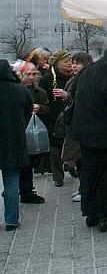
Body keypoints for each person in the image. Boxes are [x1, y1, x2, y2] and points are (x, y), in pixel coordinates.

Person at [70, 44, 107, 232]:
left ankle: (91, 214)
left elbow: (74, 95)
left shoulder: (87, 72)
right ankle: (105, 217)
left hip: (85, 136)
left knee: (89, 175)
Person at [0, 59, 33, 231]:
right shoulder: (21, 90)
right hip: (13, 141)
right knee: (12, 181)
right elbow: (28, 111)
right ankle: (11, 220)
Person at [38, 50, 73, 187]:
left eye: (70, 60)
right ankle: (58, 176)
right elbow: (42, 97)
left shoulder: (72, 76)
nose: (69, 64)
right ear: (57, 64)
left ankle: (72, 167)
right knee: (56, 146)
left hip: (69, 115)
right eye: (66, 61)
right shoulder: (48, 79)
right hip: (53, 116)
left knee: (70, 143)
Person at [14, 61, 47, 205]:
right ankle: (24, 191)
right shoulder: (15, 90)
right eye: (28, 74)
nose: (32, 77)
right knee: (22, 164)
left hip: (35, 133)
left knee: (30, 163)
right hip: (18, 133)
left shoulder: (39, 92)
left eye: (34, 74)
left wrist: (40, 108)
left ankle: (27, 190)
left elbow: (49, 109)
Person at [63, 52, 93, 203]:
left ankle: (85, 190)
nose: (74, 66)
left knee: (83, 161)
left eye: (78, 63)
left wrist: (66, 97)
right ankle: (83, 188)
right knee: (79, 161)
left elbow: (79, 101)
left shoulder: (86, 81)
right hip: (75, 126)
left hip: (82, 127)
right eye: (73, 62)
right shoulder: (74, 80)